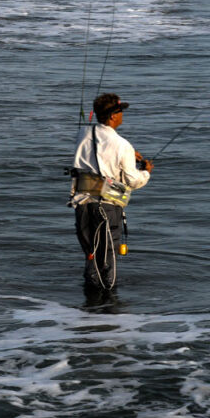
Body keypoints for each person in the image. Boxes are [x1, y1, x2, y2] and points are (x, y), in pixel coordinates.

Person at [70, 93, 153, 292]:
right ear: (113, 116)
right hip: (107, 208)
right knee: (107, 258)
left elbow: (101, 147)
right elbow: (132, 181)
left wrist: (128, 154)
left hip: (82, 204)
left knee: (91, 253)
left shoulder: (83, 133)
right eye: (120, 111)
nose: (122, 115)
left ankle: (89, 306)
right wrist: (146, 172)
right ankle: (108, 307)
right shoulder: (122, 145)